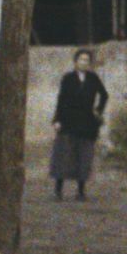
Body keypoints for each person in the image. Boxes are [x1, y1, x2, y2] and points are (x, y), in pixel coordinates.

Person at [50, 49, 109, 200]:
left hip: (87, 123)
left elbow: (104, 94)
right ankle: (58, 191)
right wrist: (57, 120)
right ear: (76, 62)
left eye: (87, 60)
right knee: (64, 155)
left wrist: (98, 111)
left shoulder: (93, 78)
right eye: (81, 60)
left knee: (84, 157)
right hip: (68, 121)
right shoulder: (68, 78)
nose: (84, 63)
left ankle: (81, 191)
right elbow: (61, 100)